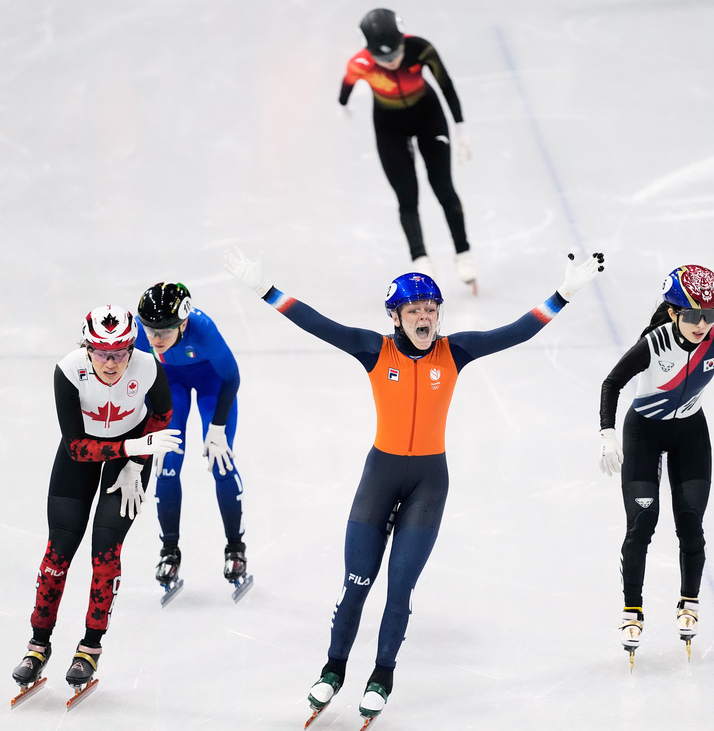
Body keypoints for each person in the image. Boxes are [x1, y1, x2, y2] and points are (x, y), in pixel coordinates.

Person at [225, 246, 604, 720]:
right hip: (379, 478)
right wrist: (265, 289)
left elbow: (514, 332)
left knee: (399, 588)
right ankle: (332, 669)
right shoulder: (374, 349)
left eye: (431, 310)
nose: (425, 318)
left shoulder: (455, 351)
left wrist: (563, 293)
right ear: (396, 317)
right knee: (357, 582)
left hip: (429, 483)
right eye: (415, 311)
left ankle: (382, 674)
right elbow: (318, 324)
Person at [11, 306, 182, 693]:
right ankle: (37, 645)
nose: (111, 362)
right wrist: (135, 445)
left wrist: (137, 463)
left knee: (106, 552)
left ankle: (89, 648)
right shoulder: (69, 370)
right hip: (82, 458)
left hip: (131, 461)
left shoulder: (147, 367)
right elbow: (75, 447)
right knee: (58, 552)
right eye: (102, 353)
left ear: (132, 349)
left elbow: (163, 414)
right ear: (87, 349)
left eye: (120, 353)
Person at [597, 265, 714, 663]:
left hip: (689, 435)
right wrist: (607, 433)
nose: (703, 324)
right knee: (642, 523)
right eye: (695, 315)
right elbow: (611, 383)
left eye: (711, 314)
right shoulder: (654, 343)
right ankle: (632, 609)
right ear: (673, 313)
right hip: (644, 432)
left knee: (690, 522)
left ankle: (689, 602)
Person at [340, 8, 476, 286]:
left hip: (429, 118)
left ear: (404, 39)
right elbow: (346, 87)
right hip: (389, 127)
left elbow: (446, 85)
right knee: (406, 195)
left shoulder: (421, 48)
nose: (390, 62)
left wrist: (461, 129)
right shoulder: (360, 64)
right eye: (382, 58)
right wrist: (343, 105)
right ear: (368, 51)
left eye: (395, 54)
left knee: (443, 187)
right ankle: (420, 258)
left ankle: (463, 252)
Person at [134, 282, 249, 592]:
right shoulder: (140, 333)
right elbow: (134, 381)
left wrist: (217, 427)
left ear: (183, 324)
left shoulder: (203, 329)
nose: (155, 339)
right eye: (149, 331)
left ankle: (235, 548)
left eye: (164, 332)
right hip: (171, 383)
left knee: (220, 461)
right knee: (167, 463)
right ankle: (169, 551)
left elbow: (231, 377)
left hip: (214, 383)